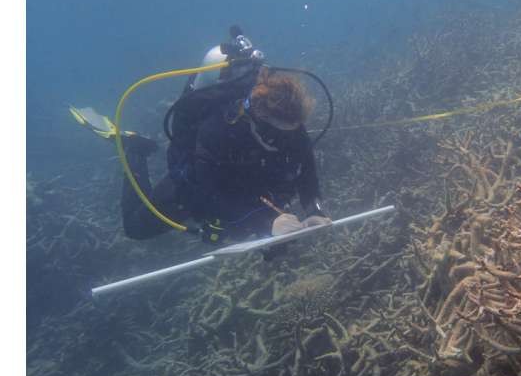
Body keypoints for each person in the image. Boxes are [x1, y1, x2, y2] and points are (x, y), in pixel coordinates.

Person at [73, 31, 331, 246]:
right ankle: (133, 149)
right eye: (275, 132)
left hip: (244, 179)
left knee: (247, 222)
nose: (282, 139)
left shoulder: (290, 126)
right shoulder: (217, 129)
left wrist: (314, 209)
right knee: (136, 227)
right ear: (255, 116)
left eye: (290, 131)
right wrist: (264, 221)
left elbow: (306, 168)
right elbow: (204, 191)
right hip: (198, 180)